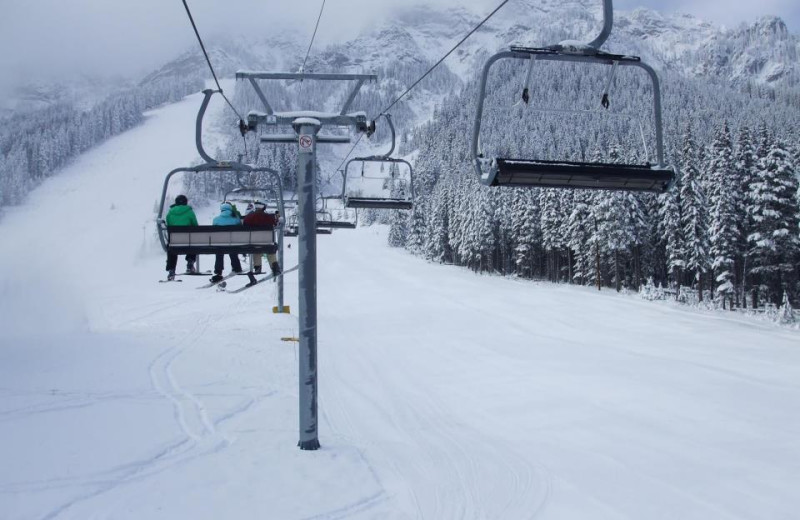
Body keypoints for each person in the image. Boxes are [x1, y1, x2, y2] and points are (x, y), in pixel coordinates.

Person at [242, 201, 282, 276]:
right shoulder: (269, 217)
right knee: (270, 250)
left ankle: (257, 267)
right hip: (268, 241)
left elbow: (244, 226)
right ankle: (274, 267)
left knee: (257, 249)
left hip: (254, 242)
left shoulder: (248, 217)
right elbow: (276, 223)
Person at [165, 194, 198, 281]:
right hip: (188, 241)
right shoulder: (189, 212)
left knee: (172, 248)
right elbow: (195, 226)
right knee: (193, 241)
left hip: (175, 241)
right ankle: (190, 262)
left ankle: (171, 270)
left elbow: (169, 225)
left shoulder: (170, 213)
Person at [209, 201, 243, 283]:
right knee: (232, 249)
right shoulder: (236, 219)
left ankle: (218, 271)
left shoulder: (216, 219)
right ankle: (237, 267)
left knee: (219, 252)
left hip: (220, 244)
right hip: (233, 243)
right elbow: (241, 229)